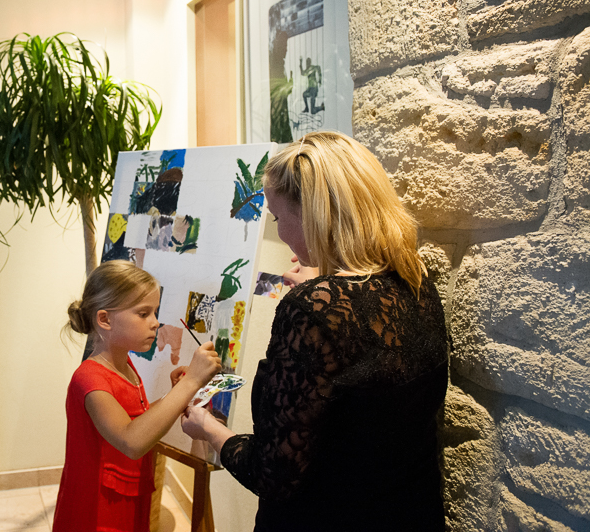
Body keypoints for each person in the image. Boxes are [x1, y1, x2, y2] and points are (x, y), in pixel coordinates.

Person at [181, 131, 448, 532]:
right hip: (411, 512)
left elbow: (273, 473)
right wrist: (325, 283)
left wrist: (210, 429)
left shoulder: (310, 310)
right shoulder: (415, 276)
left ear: (313, 215)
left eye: (276, 218)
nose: (280, 233)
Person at [52, 260, 221, 532]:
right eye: (143, 314)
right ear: (105, 319)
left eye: (155, 312)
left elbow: (134, 418)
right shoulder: (90, 380)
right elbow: (131, 440)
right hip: (98, 510)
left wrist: (175, 394)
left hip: (127, 495)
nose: (155, 323)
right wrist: (190, 383)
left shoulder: (126, 367)